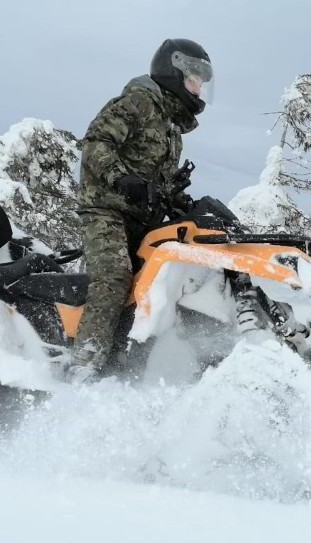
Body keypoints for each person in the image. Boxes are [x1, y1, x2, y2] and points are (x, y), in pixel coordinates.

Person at [70, 38, 214, 376]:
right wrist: (121, 179)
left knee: (155, 282)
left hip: (141, 218)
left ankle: (127, 365)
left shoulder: (172, 129)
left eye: (202, 82)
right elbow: (96, 143)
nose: (198, 87)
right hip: (105, 209)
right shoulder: (138, 102)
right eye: (194, 78)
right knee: (114, 277)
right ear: (174, 71)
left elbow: (158, 183)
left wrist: (183, 204)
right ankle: (84, 368)